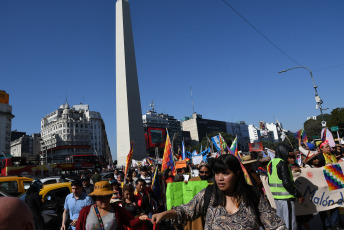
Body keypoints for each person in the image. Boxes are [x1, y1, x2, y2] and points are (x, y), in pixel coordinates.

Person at [151, 154, 287, 229]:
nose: (220, 178)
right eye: (217, 173)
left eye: (225, 173)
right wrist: (164, 214)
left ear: (237, 174)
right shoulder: (209, 194)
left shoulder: (252, 194)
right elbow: (186, 211)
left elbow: (275, 225)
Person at [75, 181, 148, 230]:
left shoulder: (117, 210)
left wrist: (140, 218)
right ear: (95, 198)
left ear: (110, 196)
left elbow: (130, 222)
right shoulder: (85, 212)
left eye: (106, 196)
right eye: (100, 197)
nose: (103, 200)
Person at [267, 143, 304, 230]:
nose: (289, 156)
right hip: (286, 198)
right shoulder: (282, 163)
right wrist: (298, 195)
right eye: (288, 154)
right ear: (283, 152)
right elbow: (287, 183)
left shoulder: (270, 163)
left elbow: (269, 181)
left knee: (282, 224)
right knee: (290, 224)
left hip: (277, 198)